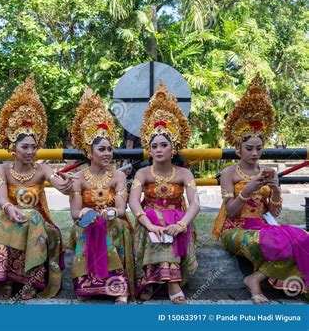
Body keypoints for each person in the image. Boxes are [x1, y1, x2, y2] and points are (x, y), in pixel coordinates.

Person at [212, 75, 309, 303]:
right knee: (272, 242)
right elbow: (232, 211)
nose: (254, 153)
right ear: (238, 150)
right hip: (234, 230)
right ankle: (257, 281)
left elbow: (274, 213)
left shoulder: (268, 171)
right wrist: (247, 190)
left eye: (259, 148)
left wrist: (275, 190)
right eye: (248, 148)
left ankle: (255, 278)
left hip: (262, 225)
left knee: (302, 238)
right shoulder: (229, 173)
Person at [0, 75, 73, 300]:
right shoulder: (3, 170)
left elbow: (60, 184)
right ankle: (5, 279)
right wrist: (10, 209)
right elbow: (2, 200)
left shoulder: (41, 169)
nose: (31, 151)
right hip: (11, 216)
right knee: (2, 219)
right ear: (13, 147)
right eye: (25, 147)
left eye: (34, 147)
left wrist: (67, 185)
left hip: (39, 224)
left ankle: (31, 280)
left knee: (32, 218)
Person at [128, 80, 199, 304]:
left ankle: (169, 282)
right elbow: (134, 202)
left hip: (178, 223)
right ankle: (161, 282)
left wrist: (181, 224)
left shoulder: (185, 174)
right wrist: (148, 224)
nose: (158, 149)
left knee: (168, 221)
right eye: (154, 146)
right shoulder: (142, 174)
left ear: (174, 148)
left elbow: (195, 203)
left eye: (163, 145)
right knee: (153, 217)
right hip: (148, 222)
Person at [68, 87, 134, 304]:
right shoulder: (78, 177)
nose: (107, 153)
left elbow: (123, 209)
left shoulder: (118, 176)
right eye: (102, 149)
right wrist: (85, 211)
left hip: (114, 220)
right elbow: (74, 213)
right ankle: (90, 285)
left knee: (107, 226)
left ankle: (118, 286)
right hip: (87, 222)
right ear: (90, 152)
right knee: (90, 226)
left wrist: (111, 212)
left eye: (110, 149)